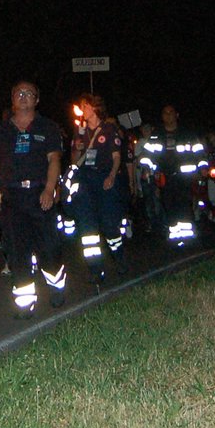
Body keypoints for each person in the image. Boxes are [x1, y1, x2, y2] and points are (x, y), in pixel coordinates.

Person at [0, 81, 66, 317]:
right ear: (12, 99)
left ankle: (56, 280)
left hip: (40, 195)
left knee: (48, 249)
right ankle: (25, 302)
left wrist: (50, 189)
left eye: (29, 93)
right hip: (12, 197)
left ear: (37, 99)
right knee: (18, 252)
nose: (23, 96)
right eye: (19, 93)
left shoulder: (47, 127)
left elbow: (54, 161)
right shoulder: (1, 131)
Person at [69, 94, 124, 285]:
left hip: (104, 178)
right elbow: (74, 161)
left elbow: (116, 157)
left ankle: (118, 256)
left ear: (95, 108)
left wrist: (111, 176)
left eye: (85, 105)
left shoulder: (109, 129)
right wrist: (77, 148)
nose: (82, 109)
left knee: (109, 224)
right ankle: (95, 268)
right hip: (85, 180)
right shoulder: (79, 130)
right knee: (87, 227)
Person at [160, 105, 204, 245]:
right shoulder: (158, 135)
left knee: (184, 204)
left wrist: (202, 167)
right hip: (166, 178)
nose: (168, 116)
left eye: (171, 112)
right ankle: (174, 235)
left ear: (176, 115)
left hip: (185, 178)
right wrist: (148, 169)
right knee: (169, 205)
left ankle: (188, 236)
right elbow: (149, 155)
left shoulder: (187, 134)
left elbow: (199, 151)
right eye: (165, 113)